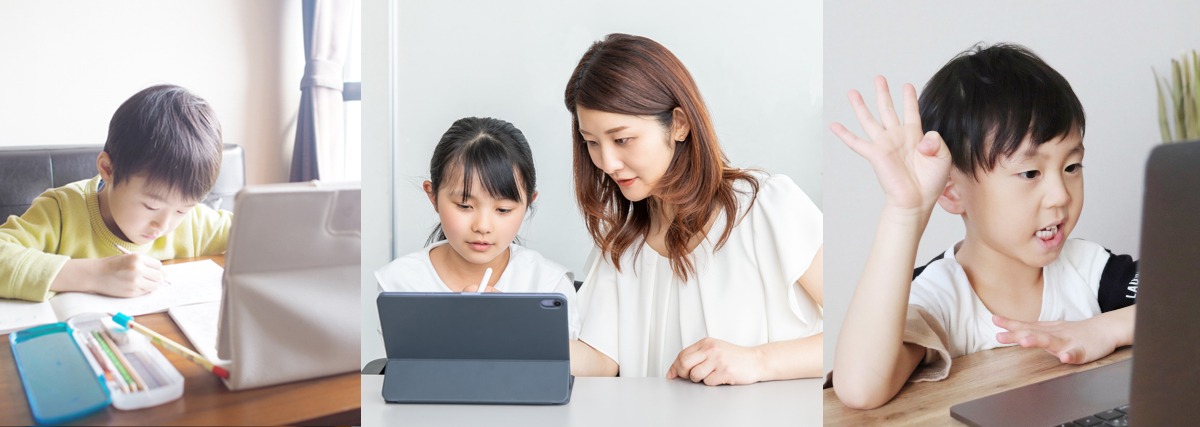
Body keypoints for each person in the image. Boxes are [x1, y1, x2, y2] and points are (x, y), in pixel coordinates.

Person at [829, 44, 1139, 409]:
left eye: (1071, 167)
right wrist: (905, 212)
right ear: (952, 191)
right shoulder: (938, 295)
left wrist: (1102, 329)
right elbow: (860, 389)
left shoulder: (1089, 267)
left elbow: (1184, 304)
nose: (1060, 195)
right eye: (1030, 173)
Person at [564, 33, 824, 384]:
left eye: (622, 139)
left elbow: (865, 330)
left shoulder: (766, 208)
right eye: (592, 143)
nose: (607, 162)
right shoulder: (621, 244)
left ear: (679, 124)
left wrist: (759, 361)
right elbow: (600, 359)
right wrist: (516, 333)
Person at [0, 84, 231, 302]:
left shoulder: (194, 223)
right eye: (151, 206)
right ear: (108, 169)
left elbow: (248, 232)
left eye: (182, 210)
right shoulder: (61, 211)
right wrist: (95, 275)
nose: (163, 226)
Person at [374, 116, 581, 338]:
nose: (483, 226)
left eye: (503, 210)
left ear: (529, 203)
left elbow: (562, 358)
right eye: (464, 206)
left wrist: (512, 327)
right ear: (433, 197)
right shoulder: (399, 283)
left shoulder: (549, 284)